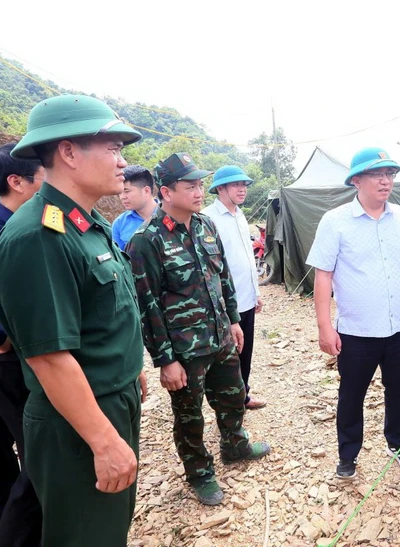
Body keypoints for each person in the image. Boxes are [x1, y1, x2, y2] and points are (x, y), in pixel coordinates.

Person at [0, 94, 147, 546]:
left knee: (106, 527)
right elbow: (50, 358)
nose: (122, 162)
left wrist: (129, 368)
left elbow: (99, 317)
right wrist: (103, 441)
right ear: (69, 152)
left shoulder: (84, 222)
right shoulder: (38, 236)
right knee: (85, 536)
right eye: (112, 149)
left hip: (105, 398)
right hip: (76, 418)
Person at [126, 153, 270, 506]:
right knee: (189, 416)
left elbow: (223, 279)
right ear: (166, 191)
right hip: (184, 349)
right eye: (190, 185)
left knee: (234, 396)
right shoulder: (147, 240)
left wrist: (234, 320)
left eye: (200, 184)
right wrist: (165, 360)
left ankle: (235, 445)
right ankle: (199, 472)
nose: (198, 191)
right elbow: (147, 306)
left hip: (220, 337)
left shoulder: (206, 225)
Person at [307, 147, 400, 480]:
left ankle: (398, 442)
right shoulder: (335, 222)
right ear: (356, 180)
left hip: (399, 326)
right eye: (377, 175)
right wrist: (324, 327)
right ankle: (348, 453)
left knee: (399, 389)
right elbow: (323, 275)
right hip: (357, 331)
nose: (386, 181)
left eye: (390, 174)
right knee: (352, 394)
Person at [0, 144, 43, 546]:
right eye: (43, 178)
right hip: (9, 366)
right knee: (36, 459)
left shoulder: (34, 226)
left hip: (31, 361)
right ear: (16, 182)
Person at [201, 166, 267, 410]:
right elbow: (211, 267)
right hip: (225, 304)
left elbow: (247, 257)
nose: (242, 189)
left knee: (245, 351)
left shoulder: (239, 215)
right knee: (228, 357)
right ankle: (228, 406)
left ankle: (243, 396)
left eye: (244, 185)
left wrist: (256, 292)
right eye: (236, 185)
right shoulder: (208, 218)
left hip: (246, 297)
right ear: (220, 188)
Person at [112, 165, 158, 250]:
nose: (122, 197)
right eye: (120, 192)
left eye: (126, 191)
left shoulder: (172, 215)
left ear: (146, 191)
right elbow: (119, 259)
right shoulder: (119, 224)